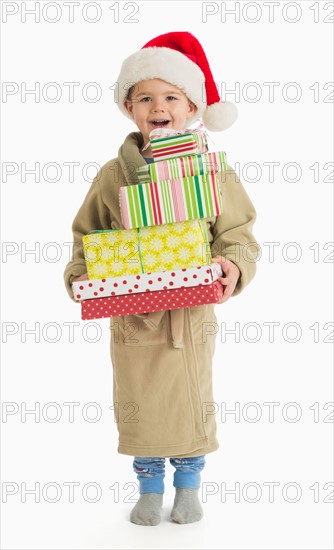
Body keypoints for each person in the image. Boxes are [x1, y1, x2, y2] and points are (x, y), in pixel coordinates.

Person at [63, 31, 260, 526]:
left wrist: (230, 265)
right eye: (146, 97)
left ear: (192, 107)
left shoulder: (212, 172)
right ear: (129, 107)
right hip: (133, 316)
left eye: (171, 97)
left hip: (188, 318)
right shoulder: (113, 175)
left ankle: (189, 484)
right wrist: (82, 276)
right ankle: (149, 486)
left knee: (191, 401)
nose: (159, 106)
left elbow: (238, 234)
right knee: (139, 404)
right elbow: (86, 235)